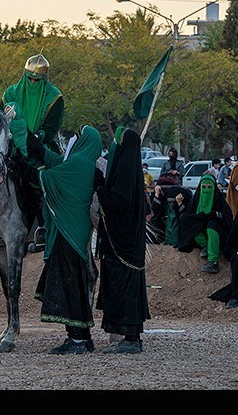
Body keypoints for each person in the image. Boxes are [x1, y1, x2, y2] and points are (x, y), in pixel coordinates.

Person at [30, 124, 101, 354]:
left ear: (86, 141)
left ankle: (77, 340)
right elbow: (53, 160)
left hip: (69, 233)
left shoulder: (79, 164)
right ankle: (82, 337)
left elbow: (49, 177)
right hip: (75, 234)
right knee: (76, 286)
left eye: (80, 136)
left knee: (70, 286)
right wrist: (35, 144)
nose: (76, 139)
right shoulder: (85, 163)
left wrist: (23, 166)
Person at [94, 128, 150, 354]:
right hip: (125, 242)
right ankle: (128, 335)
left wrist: (99, 187)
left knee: (124, 286)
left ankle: (131, 338)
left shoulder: (126, 170)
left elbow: (118, 202)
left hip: (122, 244)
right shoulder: (131, 169)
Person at [2, 53, 65, 161]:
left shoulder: (54, 97)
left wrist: (34, 139)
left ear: (44, 78)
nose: (32, 82)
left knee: (56, 173)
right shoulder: (10, 94)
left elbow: (51, 127)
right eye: (30, 78)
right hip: (10, 147)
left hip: (41, 146)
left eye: (37, 80)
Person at [175, 174, 233, 274]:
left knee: (212, 224)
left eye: (209, 187)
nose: (206, 190)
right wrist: (179, 204)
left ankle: (213, 261)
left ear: (214, 188)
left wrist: (217, 215)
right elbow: (186, 217)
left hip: (216, 234)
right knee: (185, 219)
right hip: (200, 235)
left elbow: (228, 218)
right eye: (204, 187)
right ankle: (205, 245)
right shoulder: (195, 200)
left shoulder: (219, 201)